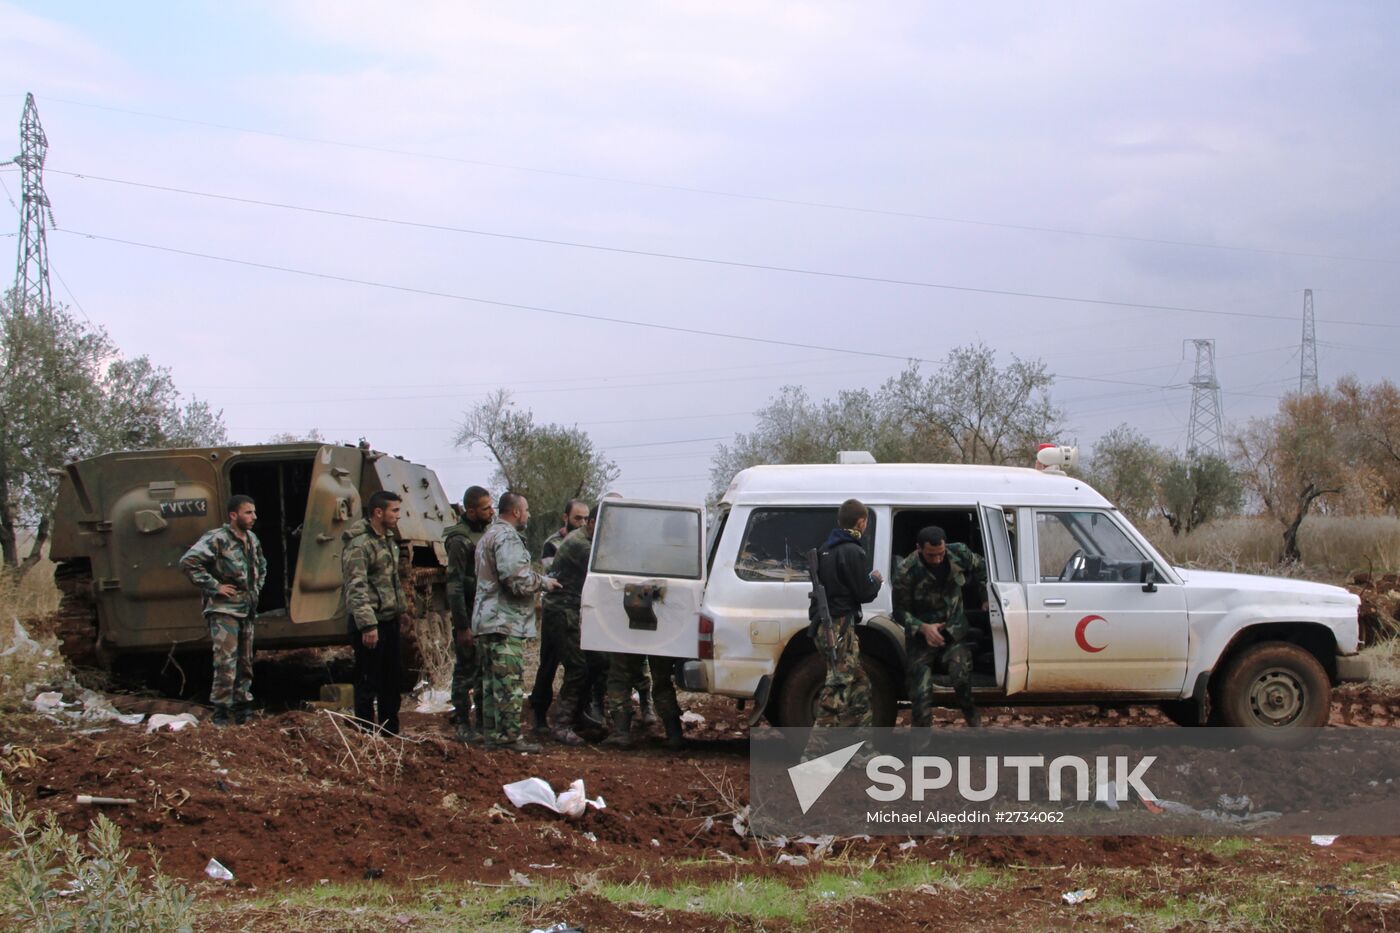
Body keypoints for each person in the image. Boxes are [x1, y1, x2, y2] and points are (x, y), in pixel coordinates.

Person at [474, 491, 560, 753]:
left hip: (486, 621)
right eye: (527, 510)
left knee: (492, 684)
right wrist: (544, 583)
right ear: (516, 512)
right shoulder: (507, 537)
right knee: (509, 684)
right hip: (504, 622)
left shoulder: (488, 535)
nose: (529, 515)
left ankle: (494, 737)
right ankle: (509, 738)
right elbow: (516, 580)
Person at [180, 495, 266, 727]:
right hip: (224, 609)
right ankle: (221, 711)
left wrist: (256, 589)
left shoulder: (252, 539)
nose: (254, 517)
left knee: (245, 661)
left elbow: (261, 566)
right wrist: (215, 586)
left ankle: (243, 707)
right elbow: (189, 562)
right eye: (248, 512)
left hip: (246, 609)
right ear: (233, 515)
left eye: (254, 512)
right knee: (225, 661)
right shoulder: (217, 538)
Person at [893, 525, 989, 728]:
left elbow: (982, 567)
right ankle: (920, 744)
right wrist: (923, 627)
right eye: (931, 555)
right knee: (920, 697)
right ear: (919, 548)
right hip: (921, 640)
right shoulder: (906, 571)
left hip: (954, 633)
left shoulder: (959, 553)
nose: (937, 559)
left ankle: (974, 720)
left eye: (941, 554)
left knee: (961, 680)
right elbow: (899, 612)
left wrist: (985, 596)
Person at [809, 499, 883, 729]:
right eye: (866, 522)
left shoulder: (826, 548)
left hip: (825, 624)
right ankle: (816, 749)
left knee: (860, 685)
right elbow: (863, 592)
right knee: (838, 687)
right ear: (861, 522)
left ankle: (861, 744)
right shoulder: (853, 550)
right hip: (839, 626)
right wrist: (875, 581)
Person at [342, 490, 408, 736]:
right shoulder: (359, 545)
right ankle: (365, 735)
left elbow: (392, 581)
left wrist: (401, 610)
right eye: (394, 510)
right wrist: (368, 625)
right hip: (370, 624)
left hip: (389, 620)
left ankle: (390, 733)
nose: (398, 516)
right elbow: (355, 587)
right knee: (368, 681)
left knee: (392, 680)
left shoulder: (386, 540)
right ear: (378, 512)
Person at [528, 498, 590, 734]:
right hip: (558, 607)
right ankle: (540, 714)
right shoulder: (553, 543)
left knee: (579, 663)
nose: (581, 522)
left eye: (585, 518)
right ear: (566, 518)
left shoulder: (584, 541)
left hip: (576, 608)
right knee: (549, 662)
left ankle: (578, 712)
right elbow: (553, 575)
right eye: (577, 517)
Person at [541, 504, 601, 745]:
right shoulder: (580, 544)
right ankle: (562, 724)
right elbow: (602, 567)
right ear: (593, 523)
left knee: (595, 662)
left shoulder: (584, 539)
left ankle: (577, 715)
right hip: (562, 611)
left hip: (570, 610)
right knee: (577, 667)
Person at [444, 485, 493, 743]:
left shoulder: (486, 532)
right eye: (486, 508)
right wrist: (463, 626)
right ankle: (462, 722)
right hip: (469, 613)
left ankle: (483, 723)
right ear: (471, 511)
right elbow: (454, 585)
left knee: (483, 670)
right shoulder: (459, 540)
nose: (491, 511)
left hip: (486, 613)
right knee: (465, 671)